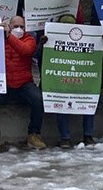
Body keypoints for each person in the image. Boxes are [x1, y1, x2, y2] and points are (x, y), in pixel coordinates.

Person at [0, 14, 47, 152]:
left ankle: (34, 134)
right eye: (15, 26)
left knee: (38, 99)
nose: (19, 29)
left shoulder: (29, 39)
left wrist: (8, 37)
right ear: (9, 26)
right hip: (3, 84)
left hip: (24, 84)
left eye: (22, 27)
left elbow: (26, 50)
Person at [40, 13, 95, 148]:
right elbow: (37, 58)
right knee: (59, 100)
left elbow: (95, 61)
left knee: (90, 100)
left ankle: (88, 135)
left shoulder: (84, 40)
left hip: (80, 80)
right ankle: (65, 137)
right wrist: (42, 45)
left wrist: (101, 42)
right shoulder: (50, 40)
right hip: (60, 81)